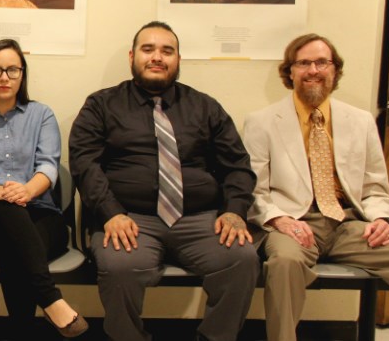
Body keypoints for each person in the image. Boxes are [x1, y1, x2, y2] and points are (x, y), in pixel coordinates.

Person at [68, 21, 259, 341]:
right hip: (130, 219)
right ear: (132, 56)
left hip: (200, 220)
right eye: (148, 49)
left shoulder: (205, 106)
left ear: (178, 59)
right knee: (119, 267)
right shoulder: (102, 105)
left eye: (167, 51)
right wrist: (110, 212)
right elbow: (84, 163)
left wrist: (235, 210)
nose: (157, 57)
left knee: (242, 258)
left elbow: (238, 164)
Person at [242, 33, 389, 341]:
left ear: (334, 70)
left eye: (322, 62)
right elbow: (252, 189)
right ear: (290, 71)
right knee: (283, 263)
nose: (313, 70)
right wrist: (277, 219)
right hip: (293, 225)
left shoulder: (361, 121)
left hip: (349, 224)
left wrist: (382, 219)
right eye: (304, 63)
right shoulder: (262, 122)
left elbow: (376, 186)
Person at [0, 39, 87, 339]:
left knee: (18, 250)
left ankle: (21, 332)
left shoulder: (42, 115)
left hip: (42, 215)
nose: (4, 77)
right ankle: (52, 300)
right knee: (7, 211)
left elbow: (49, 166)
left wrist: (26, 191)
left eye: (12, 70)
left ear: (22, 74)